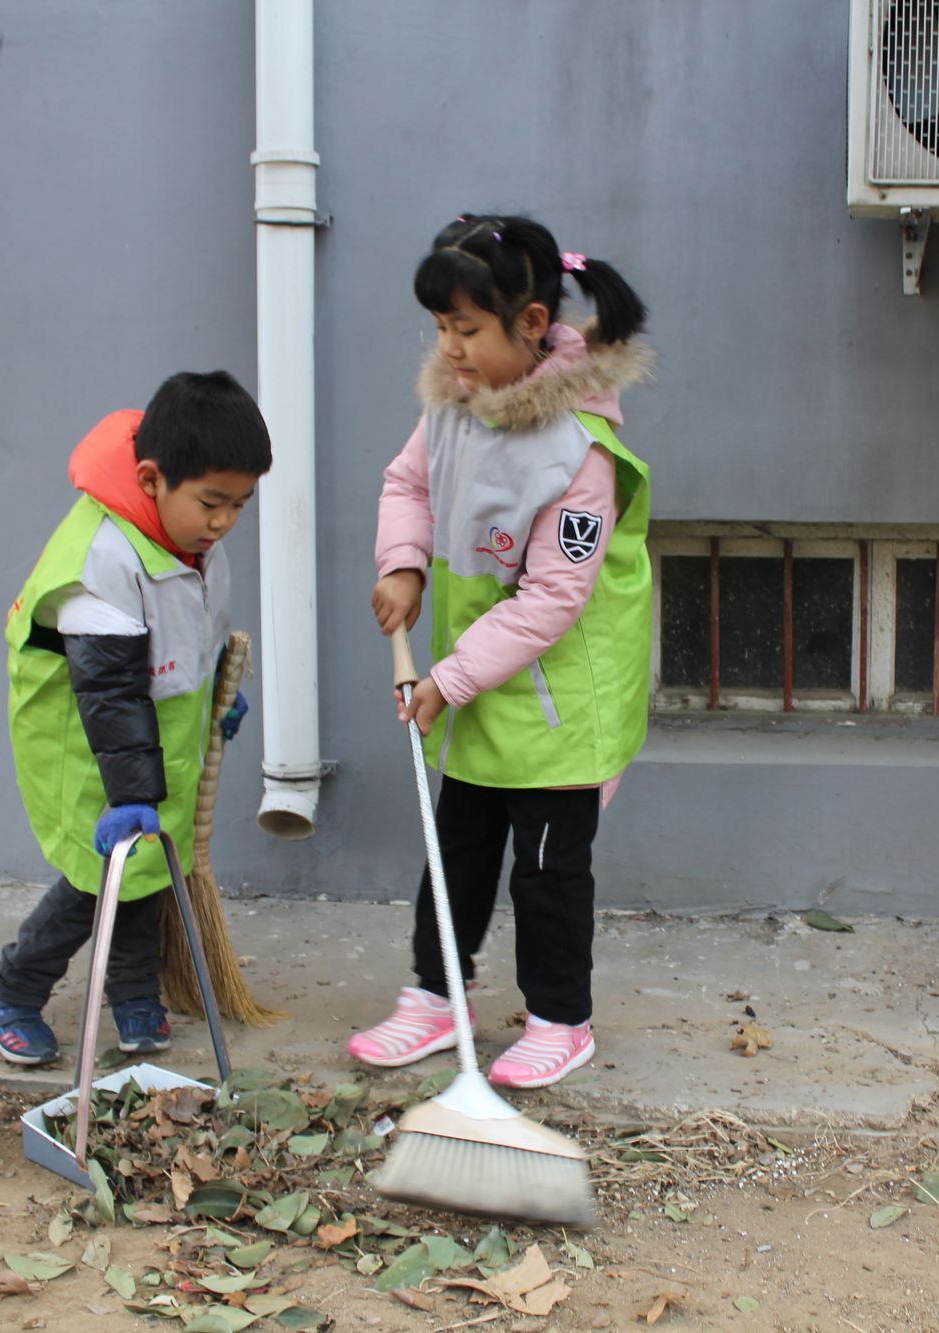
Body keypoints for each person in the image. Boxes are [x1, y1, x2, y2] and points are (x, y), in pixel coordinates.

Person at [349, 212, 654, 1089]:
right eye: (441, 328)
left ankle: (562, 1019)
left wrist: (446, 678)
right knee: (458, 847)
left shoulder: (581, 451)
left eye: (467, 329)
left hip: (562, 699)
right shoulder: (451, 407)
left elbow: (555, 596)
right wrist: (403, 564)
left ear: (529, 324)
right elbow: (408, 483)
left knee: (550, 869)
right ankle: (436, 994)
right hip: (480, 683)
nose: (450, 349)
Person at [0, 371, 272, 1064]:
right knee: (96, 877)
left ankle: (135, 992)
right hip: (84, 741)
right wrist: (134, 793)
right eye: (212, 501)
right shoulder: (101, 559)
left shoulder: (192, 537)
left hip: (157, 732)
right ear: (150, 478)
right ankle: (11, 990)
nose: (225, 520)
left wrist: (217, 700)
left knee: (148, 868)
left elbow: (194, 631)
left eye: (241, 503)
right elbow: (108, 690)